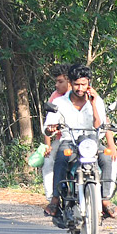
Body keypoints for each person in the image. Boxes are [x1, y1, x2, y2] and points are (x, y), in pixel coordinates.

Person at [44, 64, 117, 220]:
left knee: (107, 158)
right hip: (69, 141)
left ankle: (105, 199)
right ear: (71, 83)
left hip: (91, 143)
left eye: (83, 84)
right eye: (77, 84)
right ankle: (55, 199)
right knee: (61, 159)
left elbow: (98, 125)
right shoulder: (60, 102)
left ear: (89, 84)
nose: (80, 88)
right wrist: (51, 129)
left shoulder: (97, 101)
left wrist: (93, 103)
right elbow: (47, 128)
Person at [39, 65, 71, 200]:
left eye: (60, 82)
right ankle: (51, 197)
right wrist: (48, 145)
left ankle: (102, 196)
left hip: (83, 139)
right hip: (61, 139)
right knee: (48, 160)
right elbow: (49, 123)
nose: (56, 85)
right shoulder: (55, 97)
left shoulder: (87, 95)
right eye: (56, 82)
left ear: (70, 82)